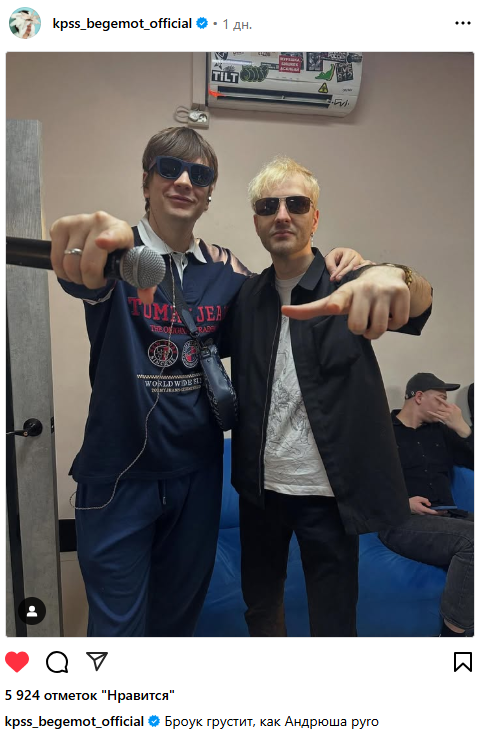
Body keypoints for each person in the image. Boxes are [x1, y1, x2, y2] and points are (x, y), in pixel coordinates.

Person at [49, 127, 362, 636]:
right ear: (146, 181)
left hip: (197, 475)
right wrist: (80, 241)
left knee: (176, 628)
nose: (183, 182)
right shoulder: (114, 256)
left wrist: (363, 268)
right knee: (117, 635)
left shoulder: (228, 272)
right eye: (168, 168)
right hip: (119, 474)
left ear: (210, 193)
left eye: (199, 174)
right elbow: (78, 269)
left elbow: (285, 292)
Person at [222, 156, 433, 637]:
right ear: (256, 221)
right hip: (259, 491)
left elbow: (418, 300)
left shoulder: (351, 281)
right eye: (268, 206)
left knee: (334, 624)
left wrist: (392, 274)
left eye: (296, 204)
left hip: (328, 495)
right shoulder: (247, 298)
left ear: (314, 217)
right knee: (260, 608)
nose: (282, 215)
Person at [378, 373, 474, 637]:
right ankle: (453, 636)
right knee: (474, 540)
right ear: (419, 397)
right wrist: (402, 502)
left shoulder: (442, 433)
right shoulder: (381, 432)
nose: (448, 406)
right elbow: (361, 481)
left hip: (449, 516)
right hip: (402, 520)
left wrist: (464, 429)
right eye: (441, 399)